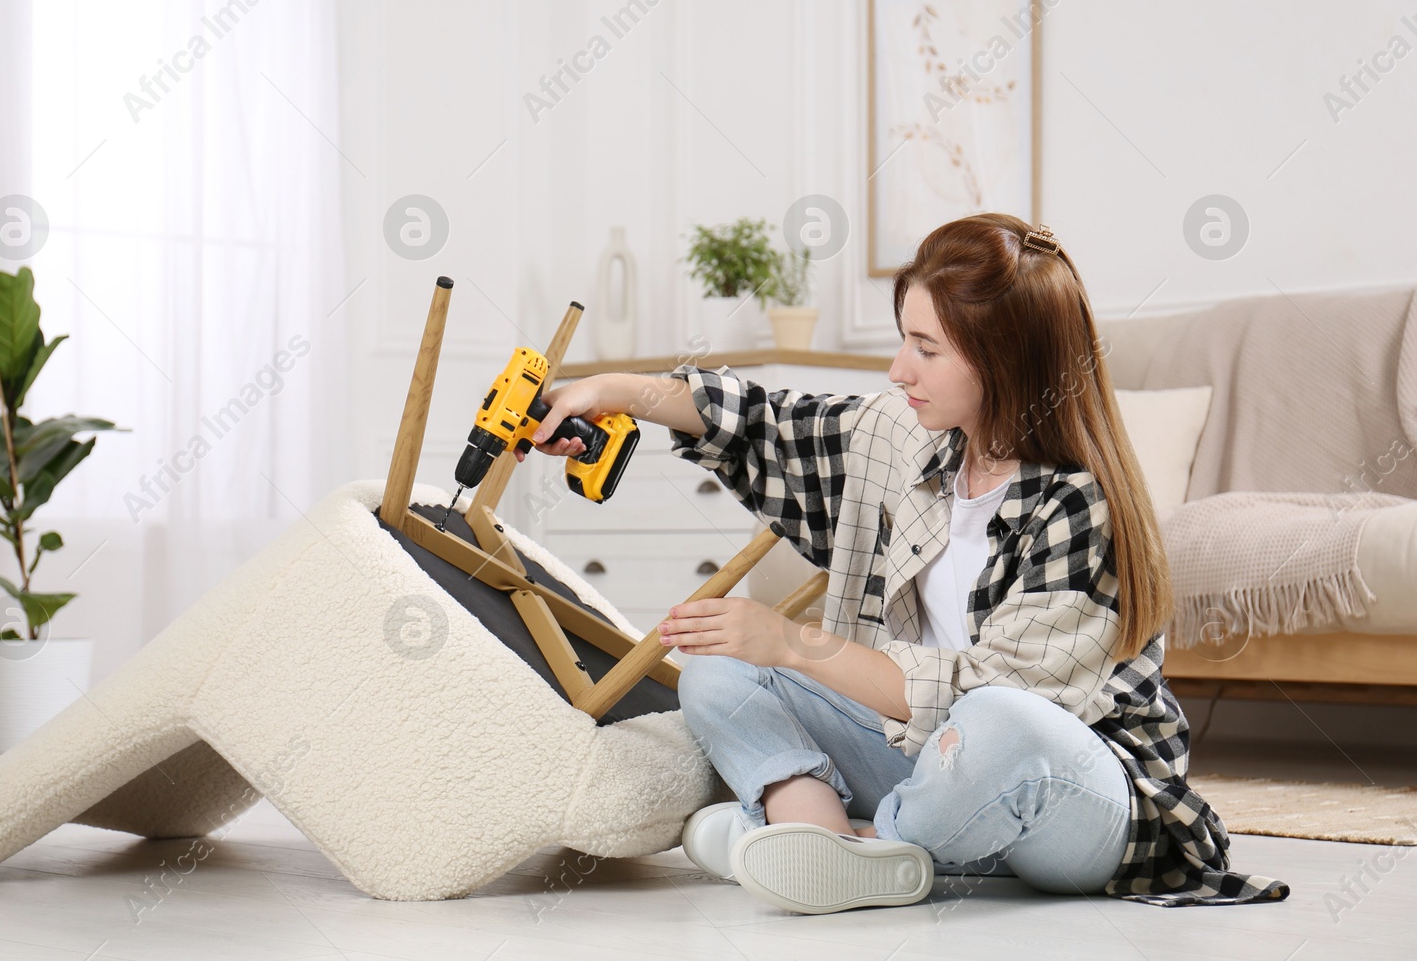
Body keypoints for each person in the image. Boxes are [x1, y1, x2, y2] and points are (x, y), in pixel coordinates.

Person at [522, 213, 1287, 915]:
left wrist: (794, 644)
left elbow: (993, 699)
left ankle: (868, 840)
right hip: (930, 764)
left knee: (996, 721)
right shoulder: (905, 439)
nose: (898, 370)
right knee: (718, 666)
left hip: (1072, 794)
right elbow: (763, 424)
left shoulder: (1080, 509)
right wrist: (614, 390)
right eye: (904, 340)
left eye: (926, 349)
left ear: (1007, 363)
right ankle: (823, 839)